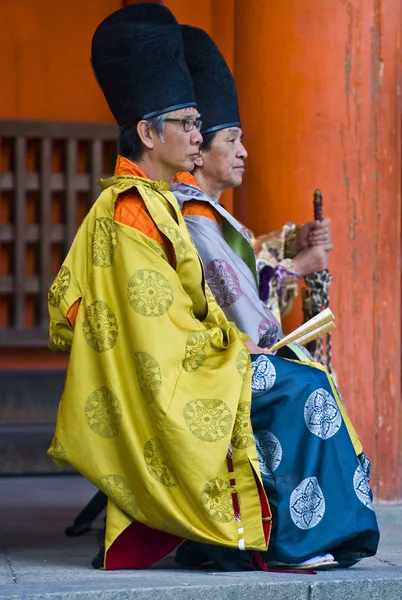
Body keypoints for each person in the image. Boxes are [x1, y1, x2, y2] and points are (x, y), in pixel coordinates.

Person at [47, 4, 272, 570]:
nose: (199, 137)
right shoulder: (127, 210)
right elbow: (157, 337)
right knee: (294, 387)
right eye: (189, 123)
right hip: (158, 379)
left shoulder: (160, 202)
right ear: (149, 132)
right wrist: (229, 348)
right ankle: (246, 530)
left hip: (181, 361)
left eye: (200, 124)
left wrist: (224, 340)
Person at [171, 25, 379, 570]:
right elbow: (238, 299)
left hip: (226, 350)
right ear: (199, 152)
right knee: (304, 380)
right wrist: (300, 265)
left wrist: (290, 248)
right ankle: (298, 533)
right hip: (209, 360)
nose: (244, 151)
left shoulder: (204, 210)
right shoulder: (191, 212)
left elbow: (245, 267)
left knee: (310, 375)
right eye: (232, 139)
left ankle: (328, 527)